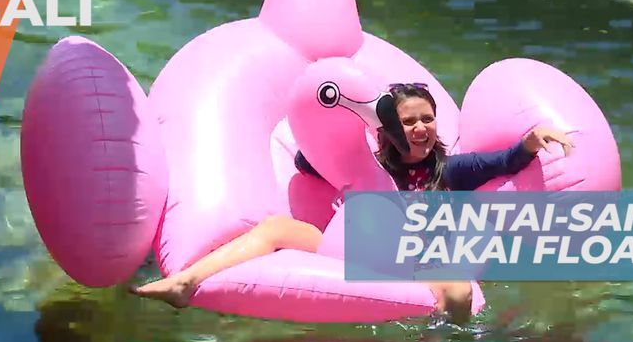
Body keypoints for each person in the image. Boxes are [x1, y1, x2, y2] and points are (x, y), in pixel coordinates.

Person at [129, 82, 573, 324]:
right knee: (275, 229)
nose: (421, 128)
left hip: (412, 262)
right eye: (408, 121)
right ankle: (185, 282)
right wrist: (347, 145)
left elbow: (503, 161)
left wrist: (532, 141)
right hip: (346, 247)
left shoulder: (450, 170)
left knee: (456, 288)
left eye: (428, 119)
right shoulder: (367, 163)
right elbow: (307, 160)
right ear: (388, 130)